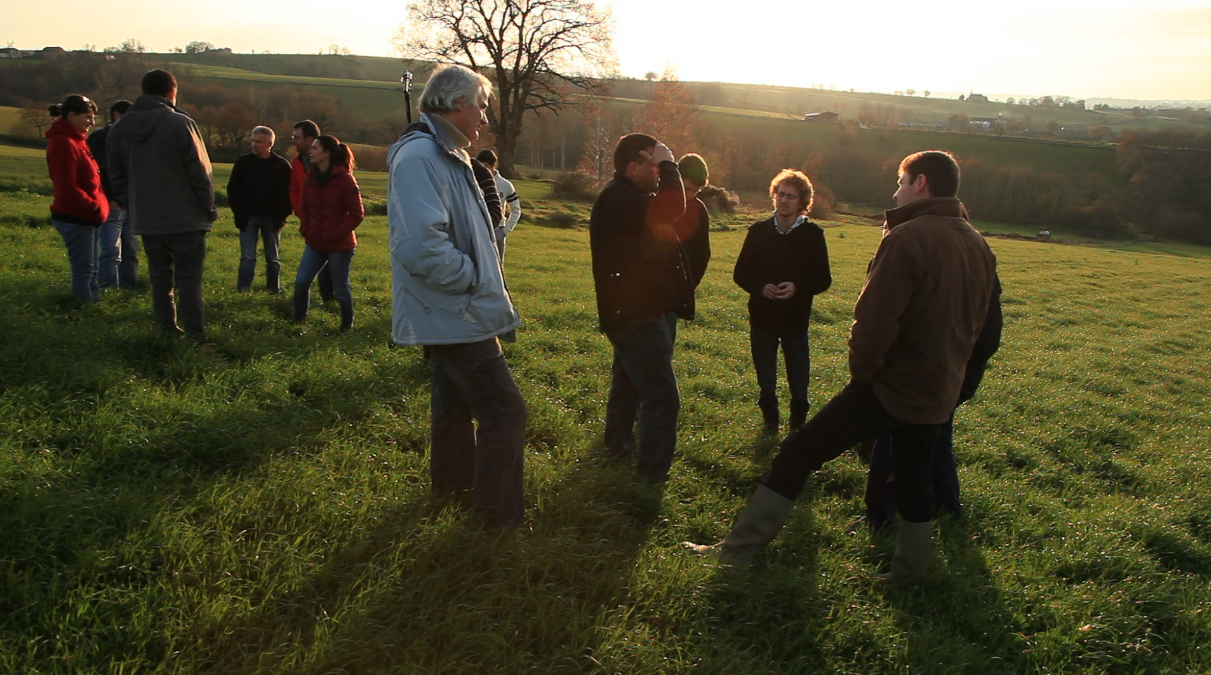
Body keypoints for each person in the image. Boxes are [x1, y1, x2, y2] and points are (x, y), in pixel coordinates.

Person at [687, 150, 998, 585]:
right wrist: (955, 383)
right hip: (938, 390)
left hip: (889, 386)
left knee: (798, 452)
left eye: (901, 181)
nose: (896, 190)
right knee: (913, 481)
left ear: (921, 183)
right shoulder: (978, 242)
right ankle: (909, 575)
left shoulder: (908, 238)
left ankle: (735, 554)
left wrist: (864, 378)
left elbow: (873, 322)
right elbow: (983, 328)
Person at [387, 64, 526, 529]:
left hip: (450, 310)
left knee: (453, 406)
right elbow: (419, 246)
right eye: (482, 107)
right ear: (457, 103)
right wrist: (472, 279)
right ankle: (496, 521)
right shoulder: (421, 157)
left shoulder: (446, 153)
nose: (485, 118)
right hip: (455, 311)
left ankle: (452, 489)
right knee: (506, 413)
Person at [862, 276, 1002, 531]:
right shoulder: (975, 253)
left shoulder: (920, 248)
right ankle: (947, 507)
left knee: (892, 432)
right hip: (952, 372)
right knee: (937, 433)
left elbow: (881, 319)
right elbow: (989, 335)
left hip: (923, 372)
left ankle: (882, 516)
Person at [589, 133, 691, 483]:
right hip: (636, 315)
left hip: (637, 310)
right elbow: (672, 208)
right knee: (662, 399)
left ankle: (617, 445)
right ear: (633, 168)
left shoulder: (629, 196)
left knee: (630, 381)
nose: (660, 171)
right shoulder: (621, 198)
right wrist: (671, 164)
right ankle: (651, 477)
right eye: (654, 163)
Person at [107, 69, 216, 341]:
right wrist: (208, 207)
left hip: (147, 218)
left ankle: (166, 331)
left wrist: (133, 205)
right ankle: (195, 336)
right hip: (186, 218)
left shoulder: (119, 129)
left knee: (160, 281)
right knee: (189, 282)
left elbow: (115, 175)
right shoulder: (180, 123)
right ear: (171, 93)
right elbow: (200, 172)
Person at [732, 169, 832, 432]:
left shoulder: (813, 235)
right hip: (762, 318)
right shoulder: (757, 231)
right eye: (780, 194)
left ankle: (798, 422)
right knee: (766, 375)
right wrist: (760, 287)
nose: (784, 200)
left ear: (802, 202)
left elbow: (823, 279)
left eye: (791, 196)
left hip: (796, 321)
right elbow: (740, 273)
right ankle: (770, 421)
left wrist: (797, 288)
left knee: (798, 375)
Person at [293, 135, 363, 332]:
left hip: (340, 246)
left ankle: (347, 325)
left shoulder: (345, 180)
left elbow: (357, 214)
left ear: (327, 153)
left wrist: (335, 234)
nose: (311, 151)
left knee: (340, 288)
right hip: (315, 242)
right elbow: (304, 206)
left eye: (315, 148)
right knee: (301, 282)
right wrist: (305, 228)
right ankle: (299, 321)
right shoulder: (311, 177)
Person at [46, 95, 108, 304]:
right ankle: (84, 311)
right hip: (76, 216)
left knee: (92, 268)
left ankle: (93, 305)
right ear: (71, 115)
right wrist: (93, 207)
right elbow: (66, 187)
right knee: (84, 269)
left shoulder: (78, 141)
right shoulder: (63, 143)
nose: (91, 122)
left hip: (89, 216)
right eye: (87, 117)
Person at [228, 125, 293, 293]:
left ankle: (273, 290)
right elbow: (233, 189)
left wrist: (282, 216)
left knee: (272, 258)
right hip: (248, 218)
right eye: (252, 141)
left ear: (270, 143)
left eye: (259, 141)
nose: (254, 145)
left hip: (272, 219)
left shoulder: (281, 166)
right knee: (247, 257)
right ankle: (243, 290)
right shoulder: (244, 162)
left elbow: (290, 194)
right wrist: (239, 212)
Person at [87, 99, 136, 290]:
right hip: (112, 203)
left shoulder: (130, 138)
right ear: (117, 115)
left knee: (131, 250)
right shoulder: (99, 138)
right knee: (111, 250)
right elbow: (101, 171)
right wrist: (111, 198)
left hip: (130, 202)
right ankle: (108, 288)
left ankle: (129, 288)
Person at [289, 120, 334, 303]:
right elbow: (293, 189)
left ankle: (332, 301)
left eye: (297, 137)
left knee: (332, 264)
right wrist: (302, 213)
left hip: (331, 222)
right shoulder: (298, 161)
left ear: (310, 139)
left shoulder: (331, 162)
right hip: (311, 221)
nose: (293, 141)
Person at [672, 153, 711, 292]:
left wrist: (688, 286)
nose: (690, 195)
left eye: (696, 191)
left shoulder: (699, 210)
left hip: (679, 292)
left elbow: (702, 254)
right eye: (687, 189)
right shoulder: (656, 202)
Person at [475, 149, 522, 259]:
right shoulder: (474, 182)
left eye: (486, 166)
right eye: (480, 166)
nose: (483, 170)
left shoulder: (505, 185)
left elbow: (516, 210)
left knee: (498, 270)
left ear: (493, 165)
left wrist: (504, 232)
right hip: (478, 229)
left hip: (497, 230)